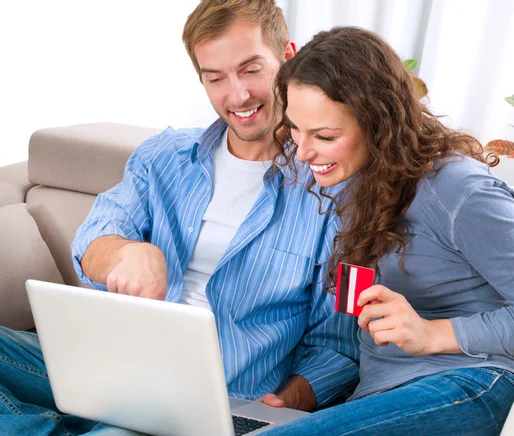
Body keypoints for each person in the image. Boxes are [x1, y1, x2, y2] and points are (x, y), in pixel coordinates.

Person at [0, 2, 360, 435]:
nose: (238, 95)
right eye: (216, 78)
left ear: (288, 57)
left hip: (214, 401)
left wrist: (288, 403)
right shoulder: (163, 157)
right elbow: (93, 240)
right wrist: (125, 252)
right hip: (111, 367)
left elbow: (340, 345)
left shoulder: (335, 193)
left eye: (250, 70)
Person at [263, 26, 514, 435]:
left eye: (324, 136)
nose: (303, 152)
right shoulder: (354, 181)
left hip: (469, 384)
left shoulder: (461, 190)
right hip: (381, 393)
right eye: (294, 128)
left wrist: (431, 334)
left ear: (378, 123)